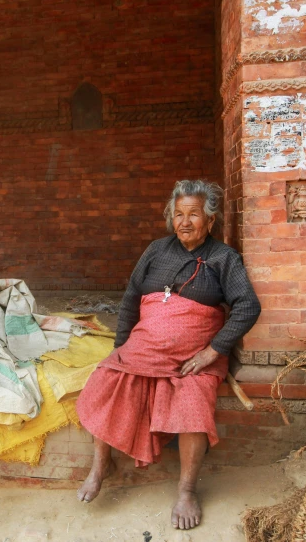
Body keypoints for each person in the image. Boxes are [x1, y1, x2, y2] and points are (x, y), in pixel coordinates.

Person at [75, 179, 261, 530]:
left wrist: (213, 351)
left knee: (193, 403)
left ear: (210, 220)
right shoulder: (157, 250)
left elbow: (248, 306)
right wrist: (122, 350)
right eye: (178, 214)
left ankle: (187, 490)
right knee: (106, 381)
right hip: (144, 348)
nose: (185, 222)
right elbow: (132, 298)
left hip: (193, 356)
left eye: (194, 214)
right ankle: (101, 465)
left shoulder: (224, 258)